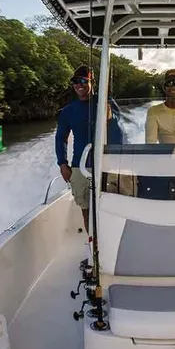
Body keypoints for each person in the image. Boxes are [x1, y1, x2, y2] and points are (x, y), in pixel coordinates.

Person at [55, 65, 123, 231]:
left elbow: (119, 132)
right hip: (80, 166)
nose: (79, 84)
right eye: (75, 81)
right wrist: (63, 164)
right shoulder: (68, 111)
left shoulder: (107, 102)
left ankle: (109, 248)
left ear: (92, 82)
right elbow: (60, 138)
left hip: (106, 164)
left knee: (109, 210)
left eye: (84, 81)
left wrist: (110, 117)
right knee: (86, 211)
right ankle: (93, 251)